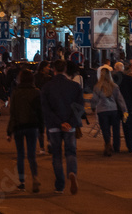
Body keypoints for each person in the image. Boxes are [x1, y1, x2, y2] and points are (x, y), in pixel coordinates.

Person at [40, 59, 83, 195]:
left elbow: (45, 109)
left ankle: (59, 185)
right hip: (70, 126)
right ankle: (72, 172)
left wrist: (59, 123)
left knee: (57, 155)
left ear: (54, 70)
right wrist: (70, 122)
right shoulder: (75, 87)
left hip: (54, 126)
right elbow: (79, 107)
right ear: (65, 70)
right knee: (71, 152)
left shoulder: (47, 87)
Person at [6, 69, 42, 193]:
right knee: (32, 155)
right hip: (33, 126)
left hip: (19, 127)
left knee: (20, 155)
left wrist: (9, 132)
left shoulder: (16, 93)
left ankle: (21, 183)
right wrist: (42, 129)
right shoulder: (37, 92)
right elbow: (40, 112)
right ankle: (35, 177)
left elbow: (13, 113)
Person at [91, 66, 126, 157]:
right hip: (113, 110)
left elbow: (94, 99)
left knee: (105, 129)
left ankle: (107, 144)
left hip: (102, 110)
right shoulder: (114, 86)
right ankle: (116, 147)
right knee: (116, 129)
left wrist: (93, 107)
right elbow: (120, 99)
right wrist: (124, 110)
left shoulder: (97, 87)